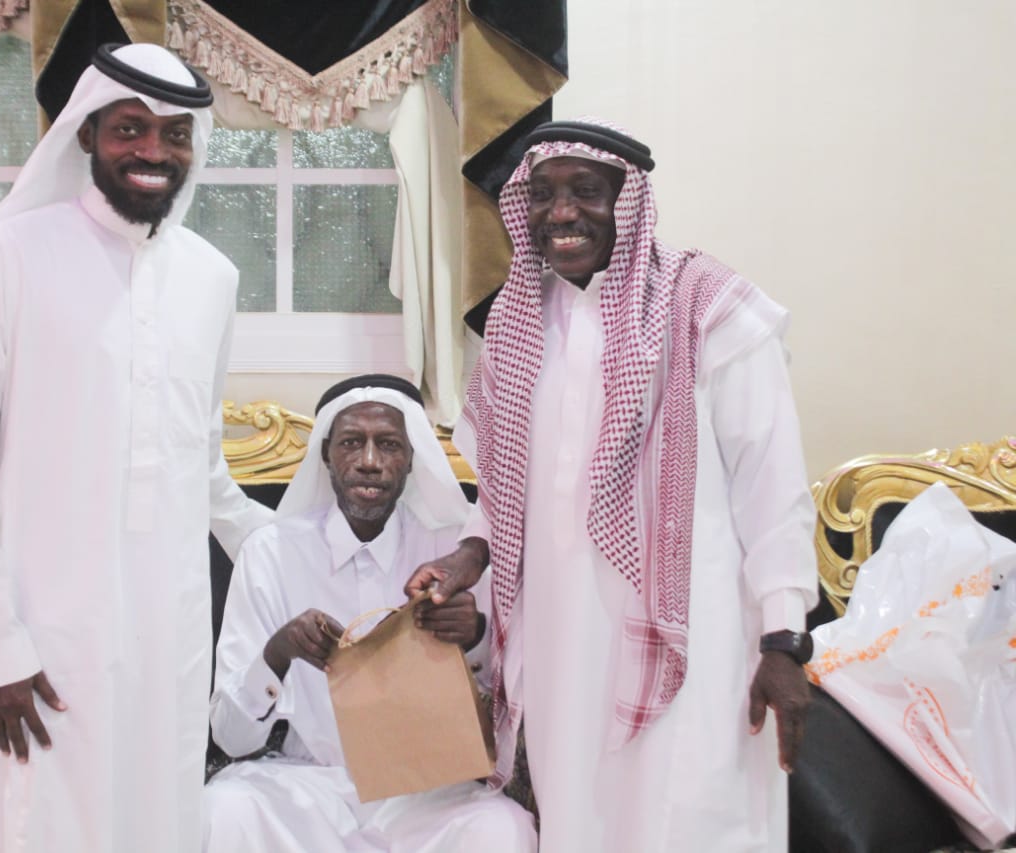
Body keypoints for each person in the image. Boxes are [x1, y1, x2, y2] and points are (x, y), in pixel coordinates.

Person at [0, 43, 273, 852]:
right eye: (130, 128)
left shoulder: (213, 277)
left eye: (174, 133)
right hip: (38, 635)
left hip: (166, 636)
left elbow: (204, 467)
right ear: (87, 132)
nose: (153, 150)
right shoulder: (8, 255)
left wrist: (301, 553)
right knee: (37, 823)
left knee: (153, 821)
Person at [406, 118, 819, 851]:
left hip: (698, 633)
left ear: (627, 200)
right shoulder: (516, 321)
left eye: (586, 191)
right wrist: (468, 557)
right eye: (542, 194)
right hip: (563, 641)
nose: (561, 212)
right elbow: (507, 491)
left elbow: (773, 487)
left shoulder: (708, 308)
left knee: (692, 814)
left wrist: (785, 641)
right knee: (582, 819)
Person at [205, 375, 536, 853]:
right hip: (306, 788)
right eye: (350, 443)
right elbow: (231, 738)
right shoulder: (270, 553)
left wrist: (476, 635)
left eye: (389, 445)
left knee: (503, 830)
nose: (369, 461)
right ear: (326, 455)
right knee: (224, 811)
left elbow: (512, 707)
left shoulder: (454, 553)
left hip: (427, 796)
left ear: (411, 458)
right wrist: (278, 653)